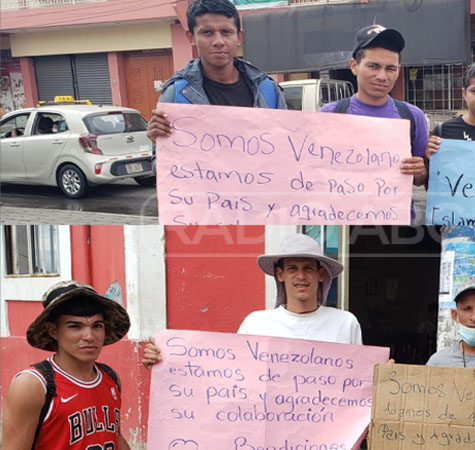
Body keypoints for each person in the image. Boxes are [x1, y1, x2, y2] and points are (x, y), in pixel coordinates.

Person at [142, 234, 362, 368]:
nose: (301, 276)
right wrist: (166, 364)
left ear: (321, 275)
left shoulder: (345, 323)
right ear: (280, 274)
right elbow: (228, 374)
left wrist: (382, 377)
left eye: (308, 269)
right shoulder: (256, 323)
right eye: (292, 268)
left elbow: (357, 381)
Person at [1, 281, 132, 450]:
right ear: (53, 331)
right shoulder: (33, 385)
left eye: (97, 326)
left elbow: (115, 437)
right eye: (75, 326)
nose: (89, 336)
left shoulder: (110, 378)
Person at [320, 24, 428, 218]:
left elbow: (420, 180)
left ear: (398, 71)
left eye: (390, 69)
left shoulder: (412, 116)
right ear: (354, 66)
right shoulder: (330, 115)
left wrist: (419, 170)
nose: (382, 76)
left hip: (396, 226)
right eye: (373, 66)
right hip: (343, 225)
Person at [145, 0, 286, 143]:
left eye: (226, 32)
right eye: (207, 33)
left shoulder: (267, 90)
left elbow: (287, 148)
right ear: (191, 37)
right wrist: (158, 142)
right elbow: (161, 162)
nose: (218, 41)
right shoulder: (175, 94)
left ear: (239, 37)